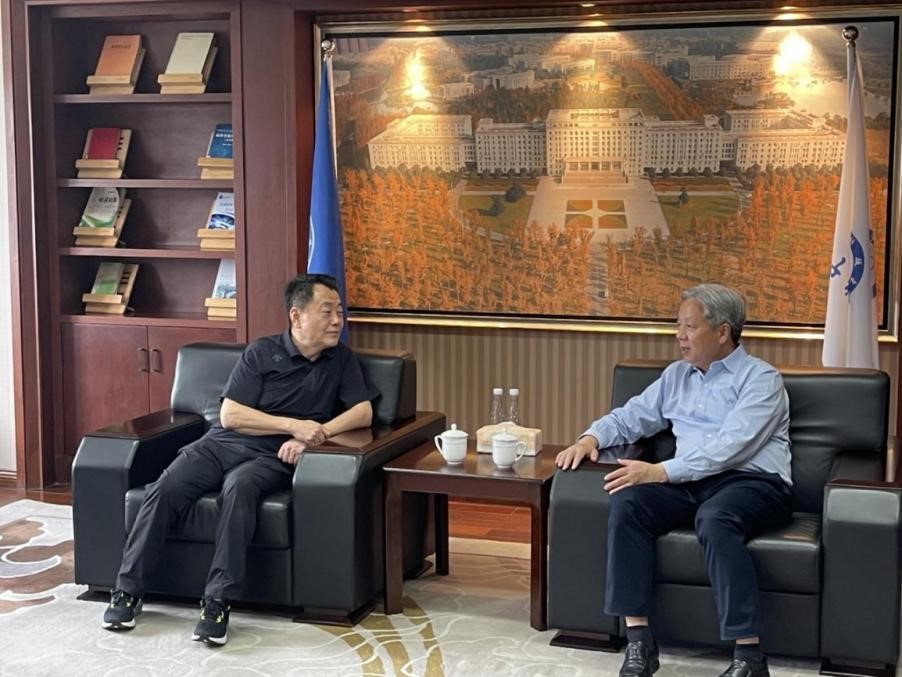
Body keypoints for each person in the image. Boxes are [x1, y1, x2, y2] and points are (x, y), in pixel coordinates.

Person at [102, 274, 376, 645]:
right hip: (222, 443)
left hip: (273, 455)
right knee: (165, 487)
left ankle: (217, 601)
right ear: (296, 316)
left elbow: (363, 412)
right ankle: (127, 590)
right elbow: (231, 415)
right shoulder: (262, 352)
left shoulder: (340, 360)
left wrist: (317, 435)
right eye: (327, 312)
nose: (337, 321)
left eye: (340, 312)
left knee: (239, 487)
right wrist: (293, 425)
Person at [555, 284, 792, 677]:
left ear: (723, 331)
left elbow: (732, 447)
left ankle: (749, 657)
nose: (679, 335)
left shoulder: (760, 379)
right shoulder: (676, 376)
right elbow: (631, 416)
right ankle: (639, 642)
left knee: (715, 518)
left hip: (752, 482)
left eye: (690, 326)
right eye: (678, 325)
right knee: (628, 502)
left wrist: (660, 471)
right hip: (689, 482)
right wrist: (590, 438)